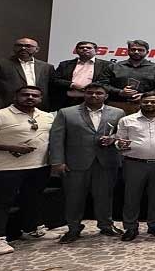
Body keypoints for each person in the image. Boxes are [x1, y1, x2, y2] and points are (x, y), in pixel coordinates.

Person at [0, 86, 57, 254]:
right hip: (6, 168)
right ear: (15, 96)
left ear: (40, 99)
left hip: (39, 166)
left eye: (35, 95)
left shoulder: (47, 116)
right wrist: (10, 147)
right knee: (1, 203)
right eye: (25, 94)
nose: (30, 97)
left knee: (33, 200)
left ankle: (32, 230)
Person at [49, 83, 126, 243]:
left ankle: (106, 225)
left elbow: (122, 134)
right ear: (84, 94)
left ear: (106, 96)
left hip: (106, 161)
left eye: (99, 93)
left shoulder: (118, 112)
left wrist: (113, 139)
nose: (94, 96)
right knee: (74, 197)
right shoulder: (66, 112)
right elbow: (56, 138)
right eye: (90, 93)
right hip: (75, 162)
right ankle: (73, 228)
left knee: (105, 196)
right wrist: (57, 161)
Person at [115, 92, 155, 241]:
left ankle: (154, 225)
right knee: (131, 197)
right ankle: (130, 227)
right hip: (134, 163)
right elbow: (119, 140)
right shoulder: (127, 120)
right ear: (140, 103)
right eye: (146, 102)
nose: (149, 104)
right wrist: (119, 144)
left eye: (153, 102)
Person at [0, 37, 55, 111]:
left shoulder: (47, 67)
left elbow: (53, 88)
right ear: (14, 48)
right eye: (19, 45)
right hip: (5, 107)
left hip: (38, 109)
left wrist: (51, 106)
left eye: (28, 46)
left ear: (37, 49)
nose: (23, 48)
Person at [97, 39, 155, 115]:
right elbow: (101, 84)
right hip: (116, 105)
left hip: (147, 106)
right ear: (128, 51)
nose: (136, 52)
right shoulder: (113, 67)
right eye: (133, 49)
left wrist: (145, 95)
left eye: (140, 50)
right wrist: (119, 92)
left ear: (147, 52)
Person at [50, 40, 109, 110]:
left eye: (89, 48)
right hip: (67, 100)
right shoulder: (65, 64)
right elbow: (55, 80)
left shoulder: (106, 65)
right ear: (76, 50)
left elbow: (106, 81)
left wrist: (89, 87)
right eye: (81, 48)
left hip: (94, 100)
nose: (85, 49)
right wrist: (72, 85)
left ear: (96, 51)